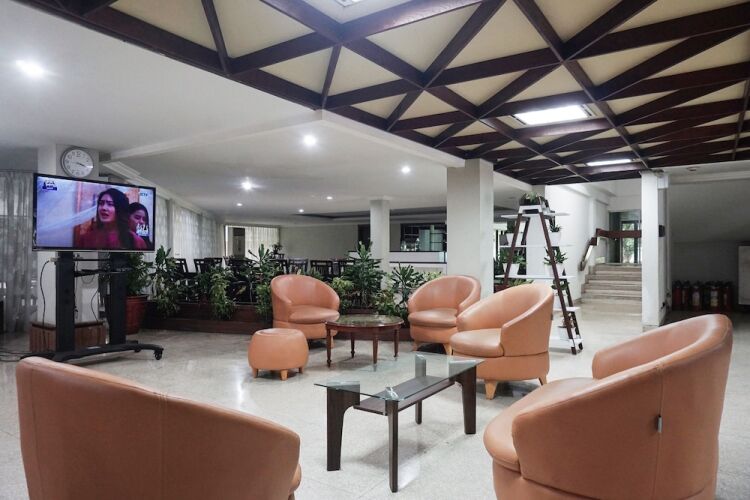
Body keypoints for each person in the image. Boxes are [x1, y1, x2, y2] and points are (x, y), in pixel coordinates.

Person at [78, 188, 147, 250]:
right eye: (101, 203)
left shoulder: (135, 240)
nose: (104, 208)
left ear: (120, 210)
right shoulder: (86, 238)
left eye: (110, 204)